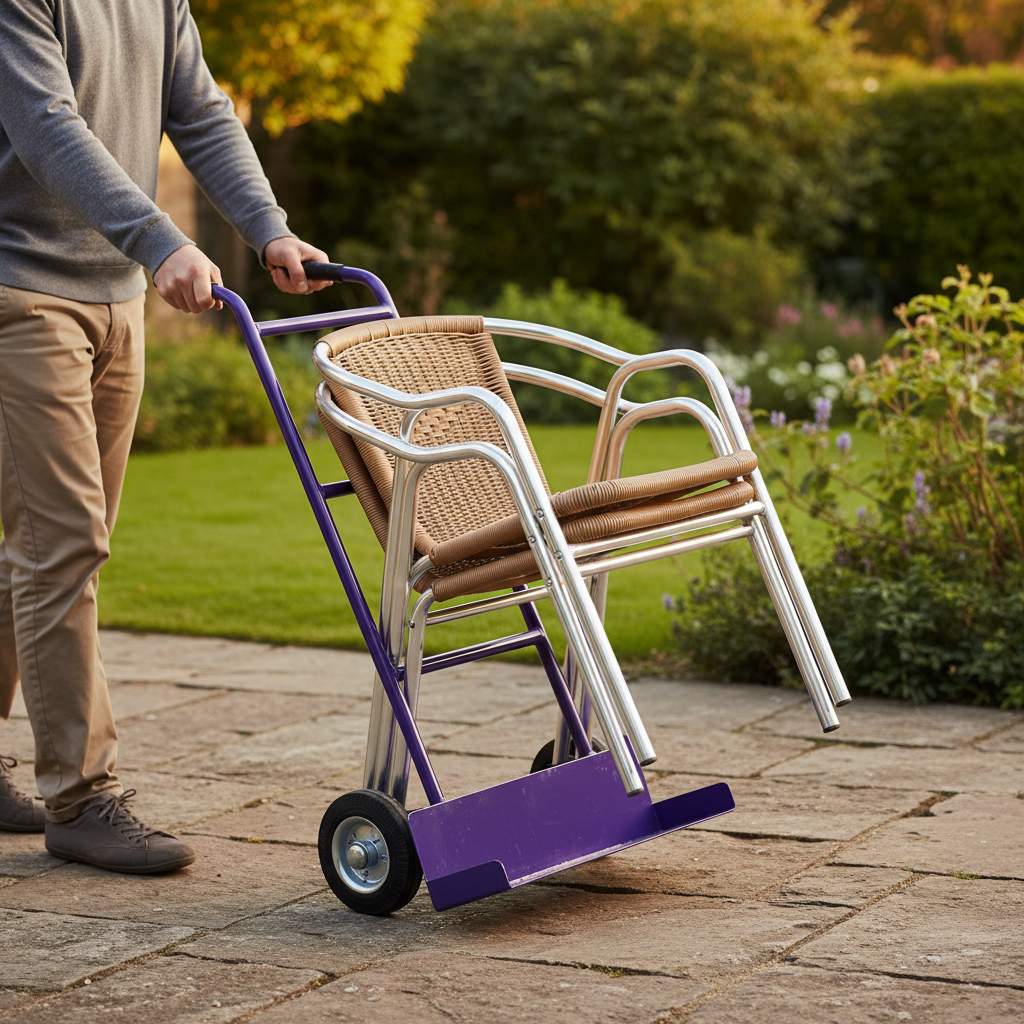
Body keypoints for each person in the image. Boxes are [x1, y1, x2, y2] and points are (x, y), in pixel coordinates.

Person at [0, 0, 330, 873]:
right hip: (23, 292)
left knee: (45, 542)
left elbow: (202, 111)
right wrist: (161, 238)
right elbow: (44, 124)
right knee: (64, 542)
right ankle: (81, 796)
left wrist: (267, 226)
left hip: (119, 299)